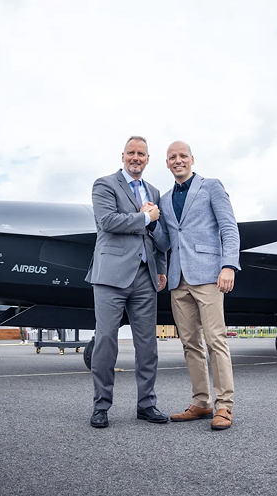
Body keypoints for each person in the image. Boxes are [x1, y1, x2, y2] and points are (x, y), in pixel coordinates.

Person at [155, 140, 240, 431]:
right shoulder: (165, 199)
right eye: (171, 157)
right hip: (178, 280)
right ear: (166, 163)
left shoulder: (211, 186)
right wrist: (151, 222)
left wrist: (228, 265)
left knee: (216, 341)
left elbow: (229, 226)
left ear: (192, 159)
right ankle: (202, 402)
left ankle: (224, 406)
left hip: (208, 275)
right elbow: (165, 242)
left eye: (182, 156)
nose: (177, 161)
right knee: (190, 344)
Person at [85, 136, 169, 428]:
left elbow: (160, 237)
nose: (136, 158)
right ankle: (101, 406)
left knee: (148, 345)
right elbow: (107, 221)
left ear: (148, 159)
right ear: (123, 156)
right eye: (131, 153)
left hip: (145, 276)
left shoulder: (154, 191)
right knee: (106, 340)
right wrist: (145, 218)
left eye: (141, 154)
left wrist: (161, 268)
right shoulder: (104, 184)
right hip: (110, 275)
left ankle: (147, 405)